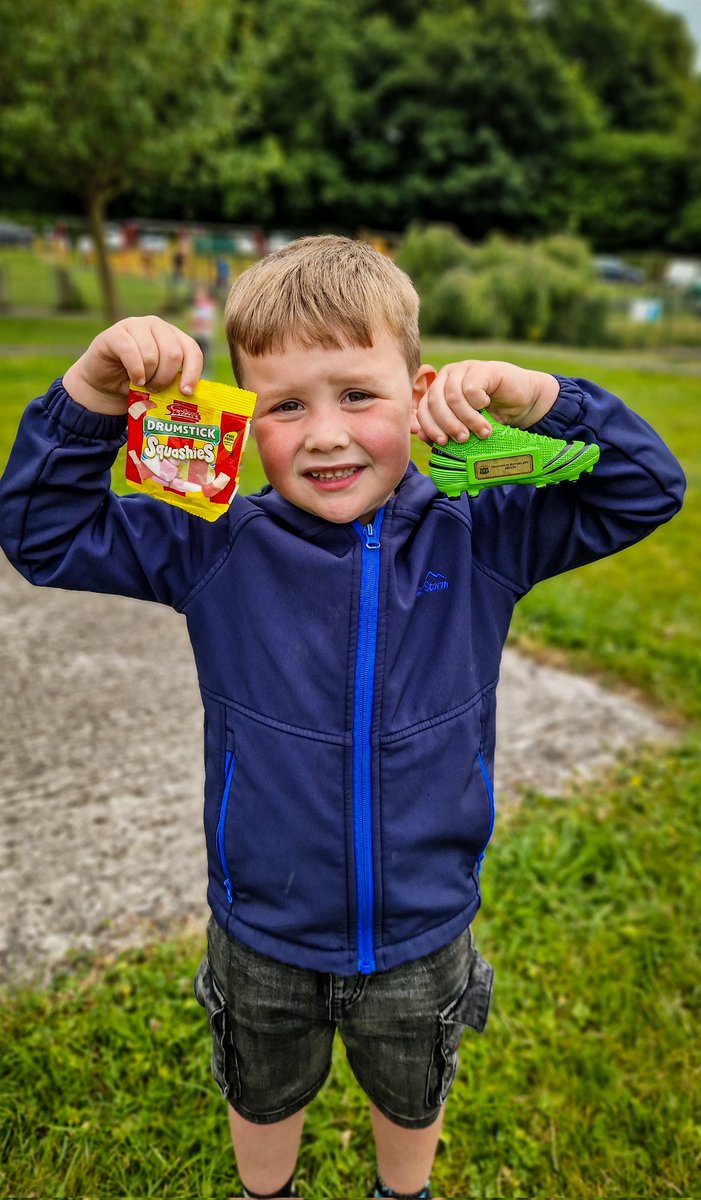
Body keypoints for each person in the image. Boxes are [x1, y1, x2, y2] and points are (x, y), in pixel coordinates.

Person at [0, 236, 685, 1200]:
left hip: (423, 924)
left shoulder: (481, 531)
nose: (324, 435)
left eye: (357, 395)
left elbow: (646, 488)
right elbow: (42, 532)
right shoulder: (213, 545)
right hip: (263, 926)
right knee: (262, 1087)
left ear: (420, 391)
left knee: (412, 1093)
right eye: (285, 405)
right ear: (241, 419)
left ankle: (401, 1194)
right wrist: (90, 390)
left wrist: (543, 398)